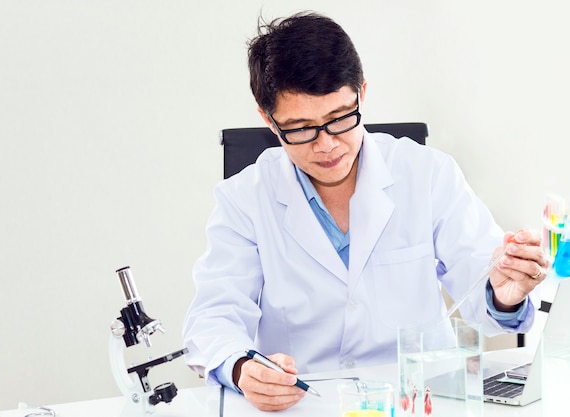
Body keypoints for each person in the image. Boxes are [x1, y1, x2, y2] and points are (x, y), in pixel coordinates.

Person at [182, 12, 549, 412]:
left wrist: (505, 295)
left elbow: (481, 284)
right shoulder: (243, 199)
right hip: (306, 404)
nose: (326, 145)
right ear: (268, 120)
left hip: (418, 399)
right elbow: (214, 315)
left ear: (362, 92)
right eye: (301, 128)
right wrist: (240, 367)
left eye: (340, 118)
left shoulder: (428, 173)